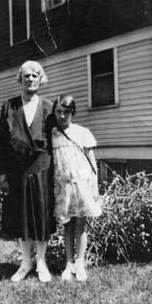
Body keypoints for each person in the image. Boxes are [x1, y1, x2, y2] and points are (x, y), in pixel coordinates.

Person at [0, 60, 56, 282]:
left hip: (41, 166)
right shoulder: (9, 106)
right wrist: (1, 172)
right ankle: (25, 262)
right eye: (27, 75)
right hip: (17, 168)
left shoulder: (49, 107)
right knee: (21, 213)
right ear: (20, 79)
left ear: (41, 79)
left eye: (35, 75)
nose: (31, 79)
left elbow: (57, 139)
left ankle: (41, 262)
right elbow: (1, 140)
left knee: (40, 213)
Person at [47, 94, 102, 281]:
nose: (63, 116)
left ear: (73, 113)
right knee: (67, 225)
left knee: (81, 225)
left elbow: (92, 161)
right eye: (59, 112)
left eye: (67, 112)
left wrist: (95, 188)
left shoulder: (82, 132)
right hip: (64, 186)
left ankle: (80, 263)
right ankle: (68, 264)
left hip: (82, 184)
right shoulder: (52, 134)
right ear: (54, 112)